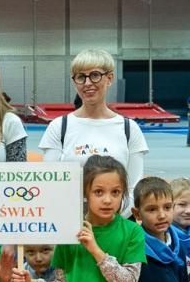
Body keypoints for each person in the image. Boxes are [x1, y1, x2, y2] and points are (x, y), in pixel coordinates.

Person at [39, 50, 150, 200]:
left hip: (117, 214)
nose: (87, 83)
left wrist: (110, 213)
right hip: (71, 213)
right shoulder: (58, 127)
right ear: (74, 82)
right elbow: (51, 185)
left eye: (95, 75)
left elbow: (132, 190)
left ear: (109, 78)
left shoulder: (129, 129)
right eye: (81, 77)